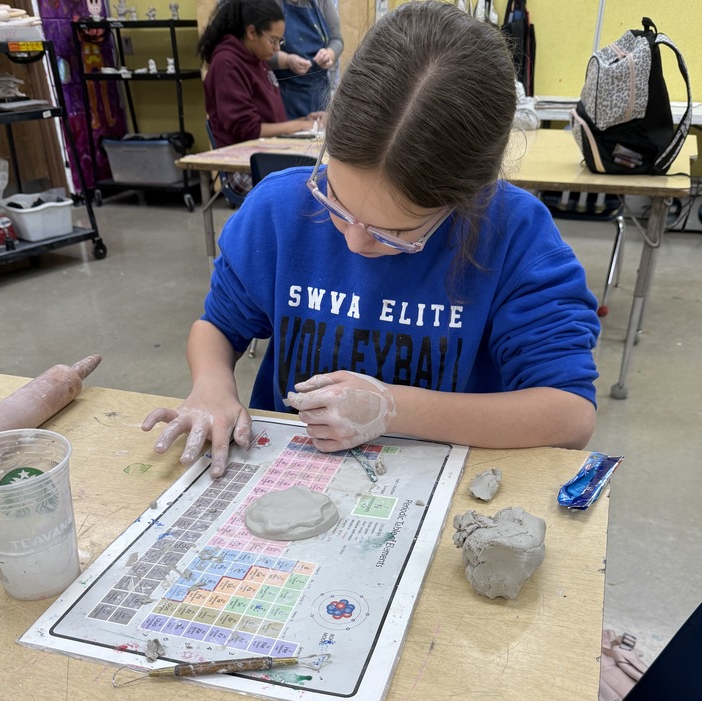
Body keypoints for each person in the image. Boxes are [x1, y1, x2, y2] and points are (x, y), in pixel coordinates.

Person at [144, 1, 601, 479]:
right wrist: (212, 386)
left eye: (396, 233)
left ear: (464, 197)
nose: (357, 243)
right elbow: (217, 326)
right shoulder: (280, 210)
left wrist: (392, 409)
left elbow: (570, 415)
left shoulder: (513, 235)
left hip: (437, 478)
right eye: (337, 203)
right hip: (294, 469)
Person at [198, 0, 321, 149]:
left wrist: (307, 119)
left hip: (270, 151)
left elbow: (271, 120)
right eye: (273, 41)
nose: (277, 49)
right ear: (251, 32)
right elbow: (249, 130)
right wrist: (300, 125)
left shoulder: (258, 59)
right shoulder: (227, 63)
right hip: (245, 160)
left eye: (279, 42)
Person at [268, 0, 344, 118]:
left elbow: (337, 40)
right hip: (285, 94)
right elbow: (258, 50)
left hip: (318, 93)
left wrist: (329, 54)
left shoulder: (322, 2)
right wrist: (287, 60)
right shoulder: (272, 4)